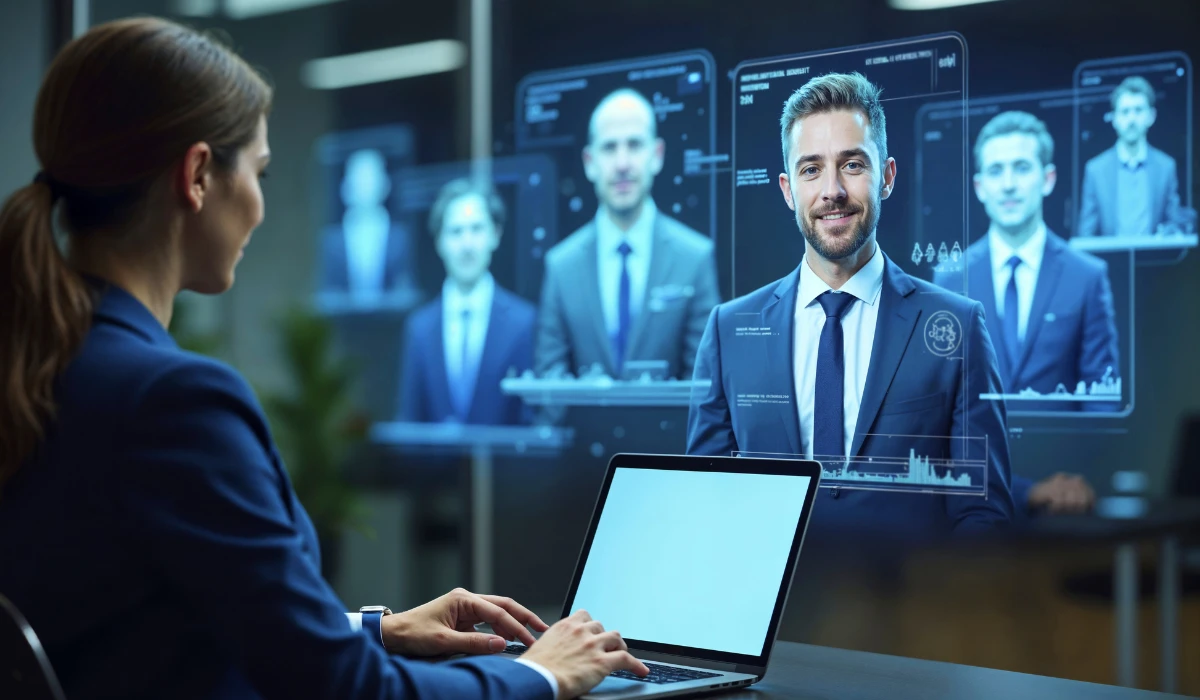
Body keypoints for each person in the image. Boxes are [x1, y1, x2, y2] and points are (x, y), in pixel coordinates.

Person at [0, 17, 645, 700]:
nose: (259, 206)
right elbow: (348, 691)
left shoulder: (46, 365)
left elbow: (142, 629)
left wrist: (373, 629)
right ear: (196, 176)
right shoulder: (171, 400)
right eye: (261, 171)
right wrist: (540, 673)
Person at [687, 72, 1014, 539]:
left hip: (910, 605)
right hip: (773, 611)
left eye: (853, 165)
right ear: (787, 189)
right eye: (810, 169)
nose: (832, 190)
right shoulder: (728, 330)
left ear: (886, 177)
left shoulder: (958, 325)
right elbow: (702, 503)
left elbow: (983, 514)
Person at [935, 111, 1120, 410]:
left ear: (1048, 179)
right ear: (980, 188)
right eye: (995, 171)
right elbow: (940, 395)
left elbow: (1102, 397)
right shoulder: (951, 278)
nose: (1008, 184)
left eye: (1021, 168)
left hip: (1061, 456)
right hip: (977, 456)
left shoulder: (1086, 276)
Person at [535, 87, 720, 380]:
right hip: (586, 427)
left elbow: (704, 383)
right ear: (589, 163)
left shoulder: (694, 259)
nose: (622, 163)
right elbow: (550, 378)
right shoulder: (561, 266)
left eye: (634, 145)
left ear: (656, 155)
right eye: (609, 148)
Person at [399, 178, 536, 424]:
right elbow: (409, 422)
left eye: (476, 229)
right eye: (456, 231)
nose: (467, 244)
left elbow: (531, 421)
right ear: (439, 242)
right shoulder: (419, 328)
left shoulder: (524, 323)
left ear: (495, 235)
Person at [1077, 76, 1184, 238]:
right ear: (1114, 119)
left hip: (1156, 261)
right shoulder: (1095, 170)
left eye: (1138, 110)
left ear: (1151, 116)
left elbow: (1174, 223)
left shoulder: (1166, 166)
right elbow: (1086, 234)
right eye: (1125, 111)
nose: (1132, 119)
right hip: (1112, 262)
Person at [320, 148, 411, 298]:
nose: (365, 186)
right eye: (359, 179)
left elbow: (404, 287)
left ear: (385, 184)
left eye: (370, 179)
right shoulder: (332, 241)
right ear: (346, 186)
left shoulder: (399, 237)